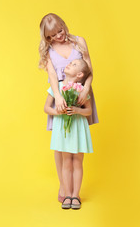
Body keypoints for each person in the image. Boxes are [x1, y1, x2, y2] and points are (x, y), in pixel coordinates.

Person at [38, 13, 99, 203]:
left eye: (60, 31)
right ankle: (64, 187)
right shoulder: (49, 50)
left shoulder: (79, 41)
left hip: (80, 91)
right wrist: (57, 96)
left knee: (75, 136)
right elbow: (53, 77)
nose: (58, 37)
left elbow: (89, 69)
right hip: (60, 93)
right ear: (47, 38)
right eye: (52, 36)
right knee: (60, 142)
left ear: (64, 25)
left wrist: (86, 88)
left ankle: (73, 192)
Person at [44, 58, 93, 209]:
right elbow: (46, 108)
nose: (69, 63)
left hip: (78, 128)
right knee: (66, 163)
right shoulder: (57, 87)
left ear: (79, 74)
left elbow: (89, 110)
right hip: (63, 129)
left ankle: (75, 195)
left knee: (77, 162)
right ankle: (67, 195)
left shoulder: (82, 89)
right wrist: (58, 112)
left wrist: (78, 110)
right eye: (71, 62)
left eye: (74, 64)